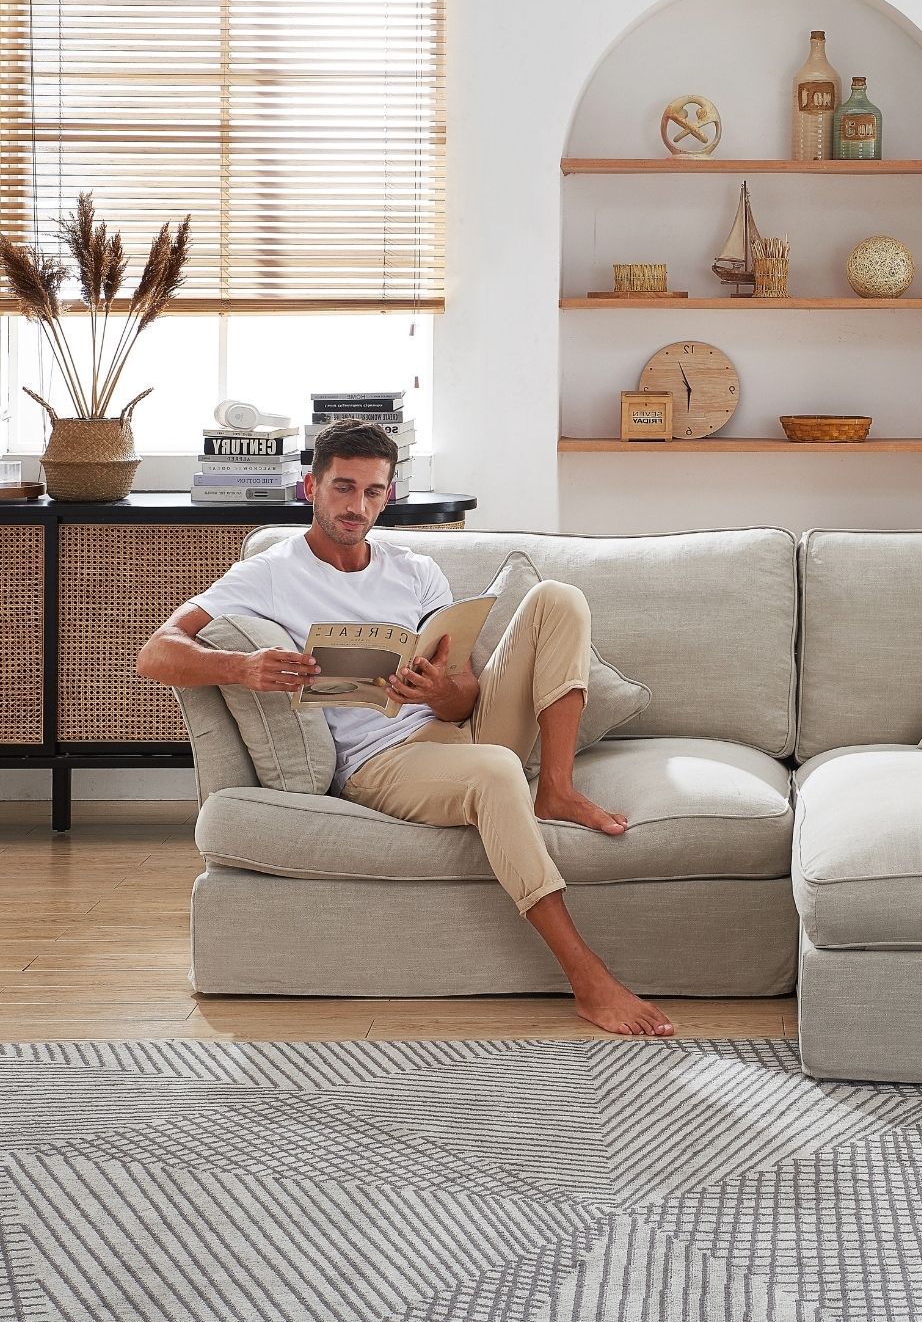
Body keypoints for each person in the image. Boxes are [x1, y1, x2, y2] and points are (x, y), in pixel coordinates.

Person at [136, 418, 674, 1037]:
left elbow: (465, 693)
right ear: (310, 487)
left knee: (558, 597)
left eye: (371, 492)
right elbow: (158, 652)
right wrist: (242, 666)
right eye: (342, 488)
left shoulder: (415, 571)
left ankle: (555, 787)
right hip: (380, 763)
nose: (355, 507)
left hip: (459, 736)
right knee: (497, 771)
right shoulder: (270, 572)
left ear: (387, 495)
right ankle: (586, 976)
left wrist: (445, 691)